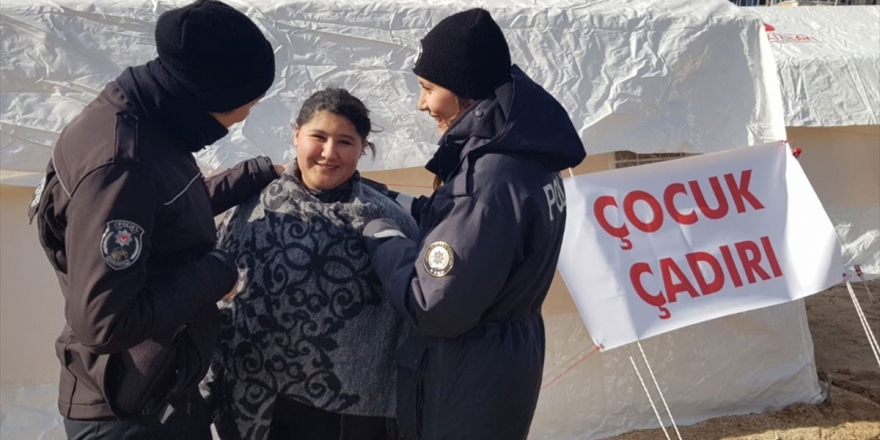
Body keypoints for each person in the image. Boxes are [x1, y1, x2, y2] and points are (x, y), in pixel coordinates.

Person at [28, 1, 282, 439]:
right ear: (206, 96)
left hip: (159, 389)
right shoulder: (122, 163)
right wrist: (216, 272)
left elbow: (164, 208)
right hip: (130, 412)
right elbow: (104, 322)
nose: (247, 116)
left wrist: (255, 173)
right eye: (249, 103)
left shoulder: (145, 116)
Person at [361, 8, 586, 440]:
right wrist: (383, 196)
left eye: (428, 88)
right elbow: (464, 228)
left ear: (463, 88)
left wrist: (381, 236)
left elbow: (435, 304)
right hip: (506, 363)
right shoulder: (529, 157)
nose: (421, 103)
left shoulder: (488, 176)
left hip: (466, 376)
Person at [203, 88, 418, 440]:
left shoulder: (388, 221)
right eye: (318, 137)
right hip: (251, 397)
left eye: (345, 142)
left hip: (344, 415)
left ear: (362, 149)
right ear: (296, 134)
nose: (329, 153)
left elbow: (411, 317)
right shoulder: (250, 208)